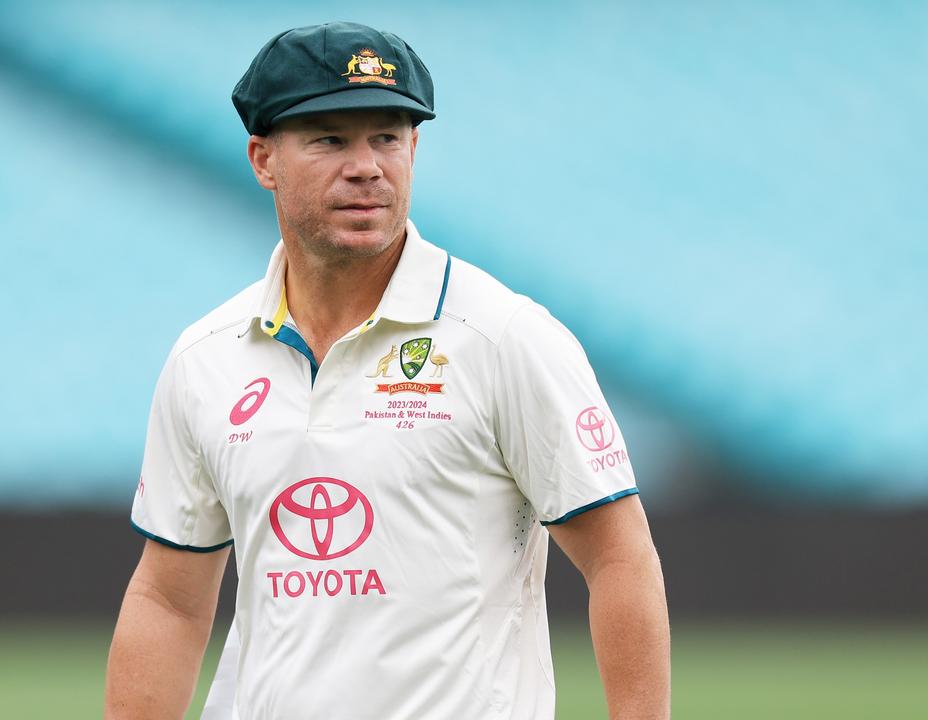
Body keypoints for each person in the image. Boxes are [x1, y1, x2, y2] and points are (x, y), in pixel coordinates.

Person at [105, 21, 670, 719]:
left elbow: (620, 559)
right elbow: (169, 600)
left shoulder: (503, 337)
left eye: (387, 137)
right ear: (263, 160)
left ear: (414, 149)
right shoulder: (206, 358)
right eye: (329, 139)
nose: (366, 166)